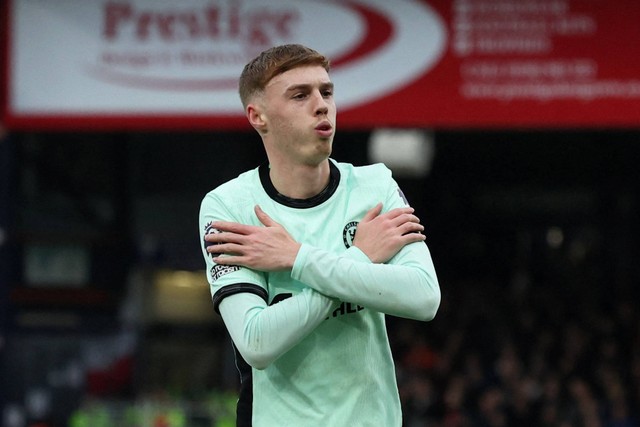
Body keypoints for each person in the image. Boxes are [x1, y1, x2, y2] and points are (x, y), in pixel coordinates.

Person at [199, 44, 440, 427]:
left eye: (326, 92)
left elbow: (424, 297)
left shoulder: (374, 186)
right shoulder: (229, 206)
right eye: (300, 95)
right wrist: (359, 260)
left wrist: (297, 258)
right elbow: (257, 342)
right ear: (257, 115)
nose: (321, 105)